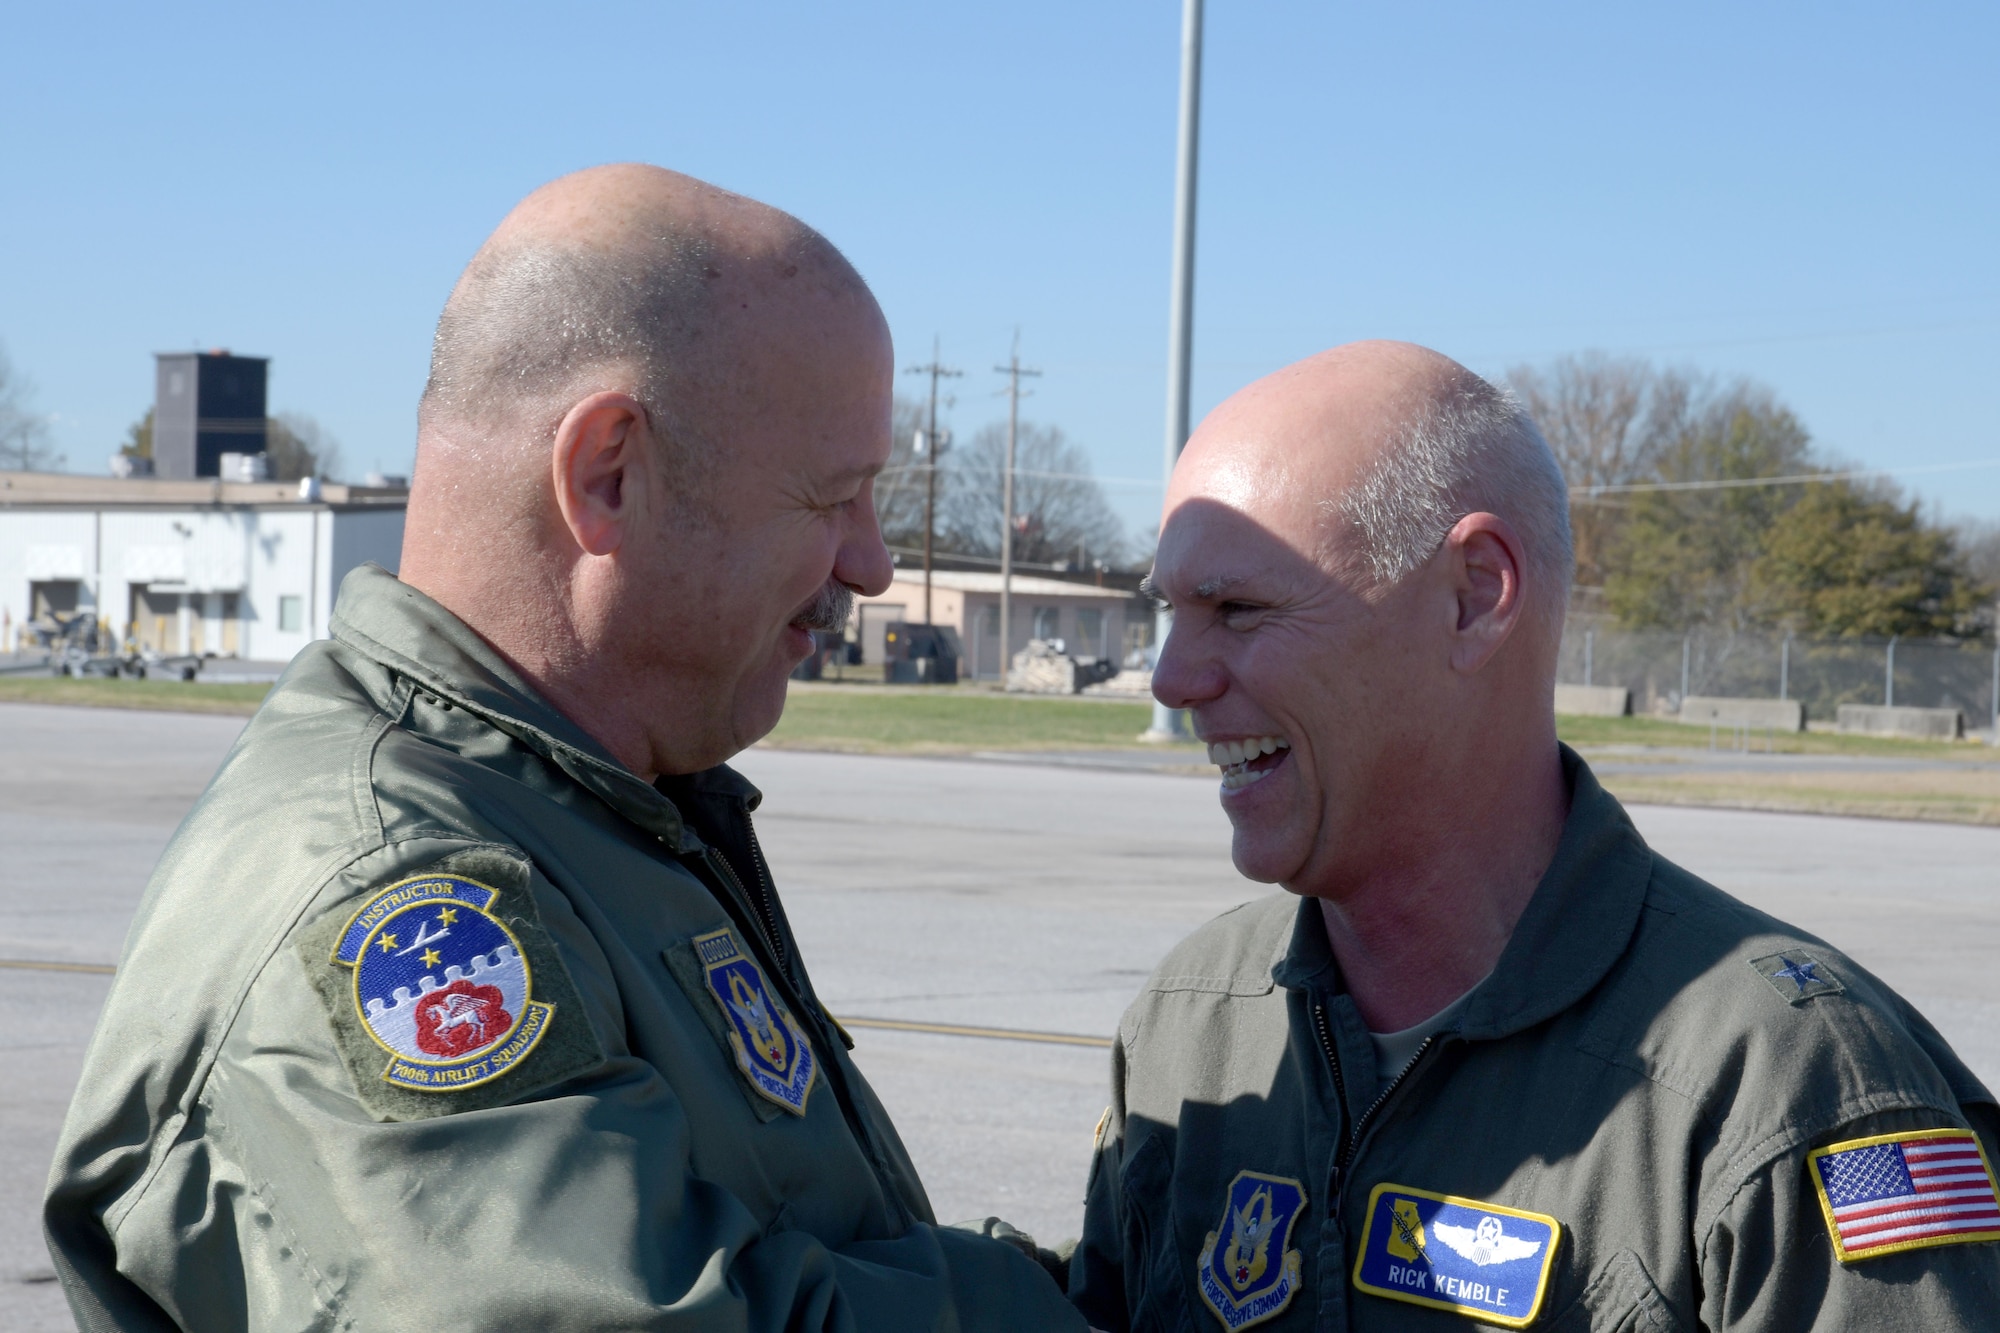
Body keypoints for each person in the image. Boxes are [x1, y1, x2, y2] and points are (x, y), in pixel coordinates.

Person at [44, 164, 1086, 1333]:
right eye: (832, 496)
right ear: (608, 474)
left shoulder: (588, 807)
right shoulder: (404, 891)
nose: (873, 562)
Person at [1069, 341, 2000, 1330]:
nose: (1172, 678)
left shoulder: (1785, 1086)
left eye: (1237, 610)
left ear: (1474, 595)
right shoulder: (1189, 1025)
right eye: (1172, 613)